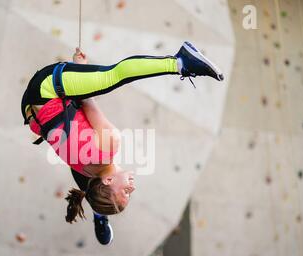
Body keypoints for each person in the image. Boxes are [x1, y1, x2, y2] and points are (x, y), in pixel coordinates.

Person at [21, 41, 223, 245]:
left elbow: (87, 99)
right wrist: (80, 71)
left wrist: (80, 70)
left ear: (109, 181)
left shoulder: (109, 146)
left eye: (125, 191)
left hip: (45, 90)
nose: (132, 189)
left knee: (113, 76)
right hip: (31, 111)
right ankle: (99, 213)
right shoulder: (88, 173)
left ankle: (180, 62)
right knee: (87, 178)